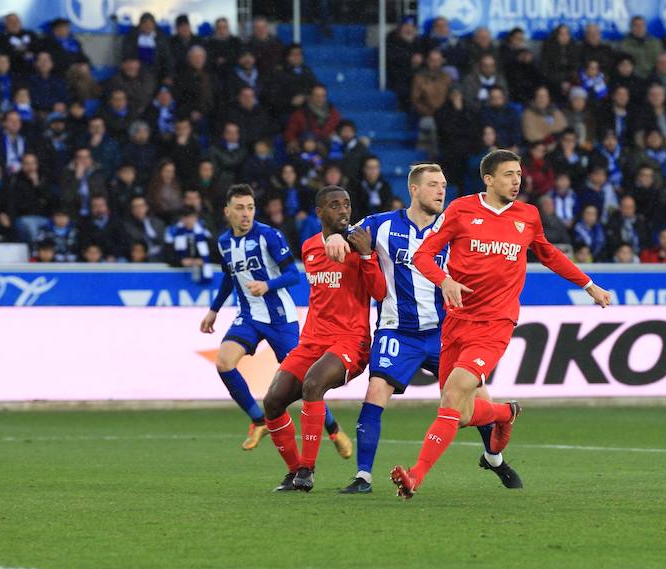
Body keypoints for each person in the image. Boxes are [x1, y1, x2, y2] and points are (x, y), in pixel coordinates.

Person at [390, 150, 610, 499]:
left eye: (518, 174)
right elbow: (423, 255)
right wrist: (444, 281)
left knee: (453, 394)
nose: (516, 180)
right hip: (457, 322)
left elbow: (549, 254)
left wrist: (589, 285)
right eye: (508, 174)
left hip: (495, 323)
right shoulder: (461, 210)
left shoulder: (528, 216)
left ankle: (415, 476)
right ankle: (504, 413)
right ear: (489, 180)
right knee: (458, 413)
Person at [324, 164, 523, 494]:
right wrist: (333, 236)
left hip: (446, 331)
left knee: (473, 404)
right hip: (398, 331)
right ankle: (363, 477)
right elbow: (348, 233)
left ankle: (495, 458)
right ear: (413, 190)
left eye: (443, 185)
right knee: (375, 392)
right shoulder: (382, 224)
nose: (441, 191)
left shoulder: (455, 223)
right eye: (433, 185)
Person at [200, 184, 351, 453]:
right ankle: (258, 421)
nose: (246, 214)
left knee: (304, 380)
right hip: (248, 316)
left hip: (280, 319)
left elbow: (294, 274)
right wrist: (214, 310)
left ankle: (334, 430)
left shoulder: (269, 236)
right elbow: (229, 278)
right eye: (239, 208)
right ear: (227, 212)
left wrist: (267, 285)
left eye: (250, 207)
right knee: (224, 362)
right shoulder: (224, 242)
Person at [263, 185, 386, 492]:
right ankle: (293, 473)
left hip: (350, 341)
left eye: (346, 204)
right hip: (312, 341)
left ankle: (307, 468)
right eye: (334, 205)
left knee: (313, 385)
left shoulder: (360, 243)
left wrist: (367, 255)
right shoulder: (308, 247)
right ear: (320, 212)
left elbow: (380, 293)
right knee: (273, 401)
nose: (343, 210)